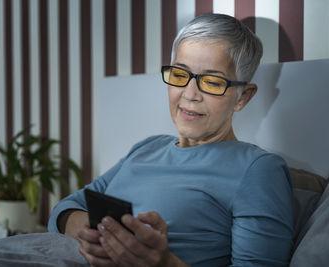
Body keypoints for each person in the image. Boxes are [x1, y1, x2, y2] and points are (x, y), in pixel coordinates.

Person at [48, 13, 293, 267]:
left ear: (243, 97)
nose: (189, 94)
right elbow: (64, 209)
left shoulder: (259, 169)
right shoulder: (148, 147)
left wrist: (163, 263)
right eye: (179, 75)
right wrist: (93, 232)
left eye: (211, 81)